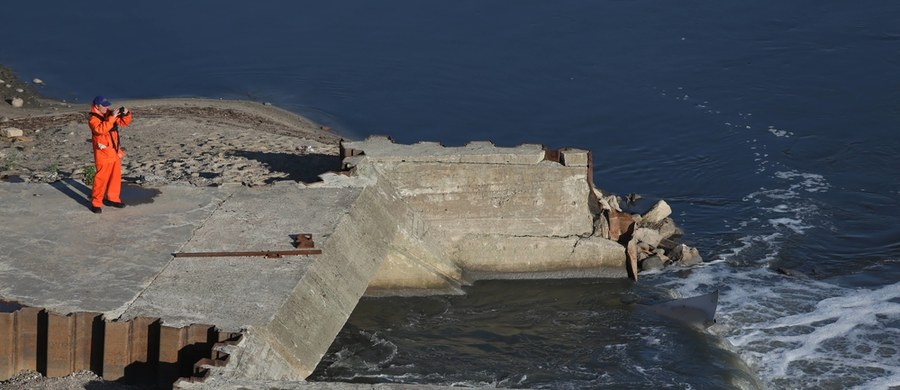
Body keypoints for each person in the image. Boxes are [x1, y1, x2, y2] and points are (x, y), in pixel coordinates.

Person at [87, 95, 132, 213]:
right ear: (97, 106)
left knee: (115, 178)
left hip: (114, 152)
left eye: (107, 105)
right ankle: (96, 203)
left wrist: (126, 114)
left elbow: (123, 123)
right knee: (100, 179)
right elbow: (100, 130)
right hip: (103, 154)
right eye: (104, 105)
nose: (107, 107)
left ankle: (113, 199)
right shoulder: (93, 119)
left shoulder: (108, 114)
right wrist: (112, 117)